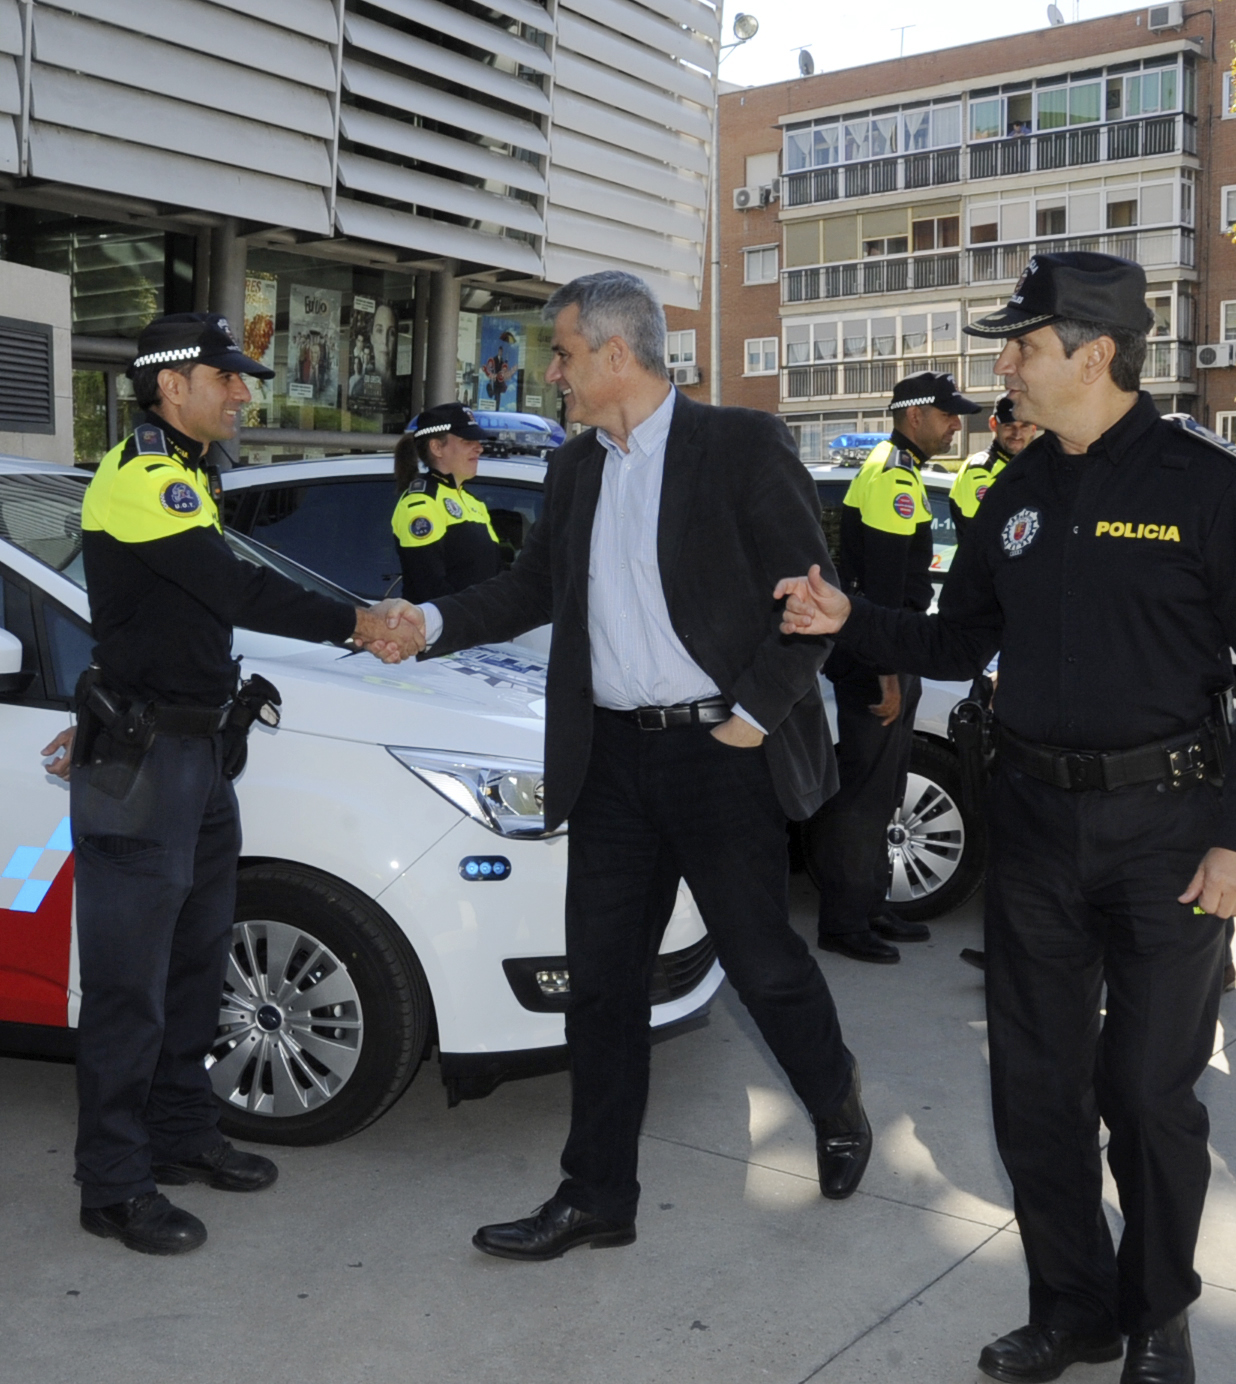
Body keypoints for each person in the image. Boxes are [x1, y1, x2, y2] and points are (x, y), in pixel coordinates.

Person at [775, 251, 1236, 1384]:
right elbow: (958, 640)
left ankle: (1158, 1316)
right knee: (1035, 1084)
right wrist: (844, 617)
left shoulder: (1204, 485)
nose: (1003, 366)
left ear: (1096, 353)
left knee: (1147, 1094)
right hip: (1031, 827)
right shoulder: (1014, 489)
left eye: (1022, 346)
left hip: (1170, 834)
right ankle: (1074, 1306)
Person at [365, 270, 872, 1259]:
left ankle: (835, 1099)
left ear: (613, 353)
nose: (546, 373)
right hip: (610, 763)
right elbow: (526, 591)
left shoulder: (737, 446)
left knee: (764, 963)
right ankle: (597, 1194)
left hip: (717, 757)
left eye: (557, 353)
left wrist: (748, 721)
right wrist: (423, 621)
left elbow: (812, 606)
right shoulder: (576, 469)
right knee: (600, 985)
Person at [38, 313, 405, 1257]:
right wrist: (360, 622)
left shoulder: (191, 473)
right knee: (130, 985)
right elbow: (235, 590)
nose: (243, 392)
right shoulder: (145, 479)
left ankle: (182, 1132)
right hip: (146, 767)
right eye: (225, 377)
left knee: (197, 963)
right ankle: (113, 1183)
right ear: (170, 386)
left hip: (195, 758)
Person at [811, 371, 980, 964]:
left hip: (887, 652)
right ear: (914, 415)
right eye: (947, 414)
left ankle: (872, 903)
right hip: (874, 659)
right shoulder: (890, 478)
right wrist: (886, 671)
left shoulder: (898, 468)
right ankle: (845, 921)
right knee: (862, 798)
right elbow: (881, 591)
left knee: (884, 792)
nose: (957, 424)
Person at [390, 403, 507, 603]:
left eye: (477, 440)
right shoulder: (421, 502)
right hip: (444, 630)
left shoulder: (474, 502)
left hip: (480, 629)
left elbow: (493, 573)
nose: (478, 448)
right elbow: (429, 589)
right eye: (467, 440)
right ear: (436, 447)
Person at [950, 395, 1039, 540]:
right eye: (1008, 425)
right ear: (993, 424)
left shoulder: (1035, 468)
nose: (1017, 434)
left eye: (1024, 426)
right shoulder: (980, 471)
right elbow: (987, 534)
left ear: (1034, 428)